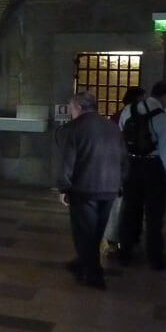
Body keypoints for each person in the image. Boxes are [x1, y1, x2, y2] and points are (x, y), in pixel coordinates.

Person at [57, 90, 128, 289]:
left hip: (85, 188)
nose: (70, 110)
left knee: (84, 231)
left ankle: (93, 274)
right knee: (97, 230)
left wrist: (63, 188)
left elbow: (67, 162)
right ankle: (82, 263)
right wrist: (121, 183)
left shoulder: (72, 128)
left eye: (71, 107)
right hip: (110, 188)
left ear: (78, 107)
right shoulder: (112, 128)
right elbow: (123, 159)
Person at [116, 79, 166, 270]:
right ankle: (154, 257)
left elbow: (120, 141)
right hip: (154, 168)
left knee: (129, 211)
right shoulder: (163, 118)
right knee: (154, 215)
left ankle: (125, 253)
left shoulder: (128, 110)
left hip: (131, 166)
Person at [105, 86, 146, 250]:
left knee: (120, 204)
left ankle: (118, 238)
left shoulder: (118, 116)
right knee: (121, 204)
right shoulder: (128, 116)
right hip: (123, 165)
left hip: (120, 164)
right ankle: (118, 238)